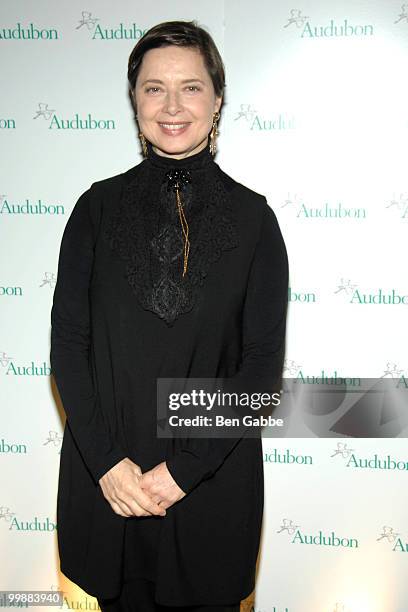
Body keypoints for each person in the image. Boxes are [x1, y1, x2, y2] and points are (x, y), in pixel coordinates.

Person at [50, 19, 289, 612]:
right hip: (111, 486)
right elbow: (68, 348)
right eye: (154, 87)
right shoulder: (94, 209)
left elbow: (260, 371)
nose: (172, 105)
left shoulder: (256, 220)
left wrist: (181, 473)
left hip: (210, 485)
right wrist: (108, 465)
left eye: (191, 86)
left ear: (217, 99)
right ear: (134, 100)